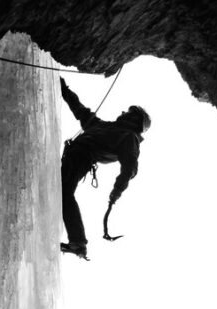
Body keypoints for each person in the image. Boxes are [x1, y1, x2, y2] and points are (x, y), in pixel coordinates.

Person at [59, 78, 151, 259]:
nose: (123, 112)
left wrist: (116, 192)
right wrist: (64, 89)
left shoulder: (129, 137)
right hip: (73, 156)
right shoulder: (103, 126)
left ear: (134, 120)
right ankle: (77, 242)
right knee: (61, 191)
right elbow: (80, 110)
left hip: (82, 157)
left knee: (64, 192)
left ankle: (78, 242)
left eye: (129, 112)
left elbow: (129, 168)